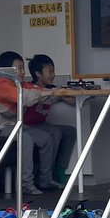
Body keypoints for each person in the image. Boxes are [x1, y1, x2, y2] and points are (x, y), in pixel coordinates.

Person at [0, 51, 56, 195]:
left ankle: (46, 180)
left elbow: (38, 91)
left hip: (15, 126)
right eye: (19, 68)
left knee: (46, 138)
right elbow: (26, 98)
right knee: (26, 139)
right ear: (6, 70)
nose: (23, 72)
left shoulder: (20, 84)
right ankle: (25, 184)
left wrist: (56, 91)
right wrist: (50, 92)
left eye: (23, 68)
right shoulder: (2, 84)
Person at [26, 54, 77, 187]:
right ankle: (46, 177)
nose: (53, 75)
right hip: (27, 125)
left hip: (40, 124)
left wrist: (62, 93)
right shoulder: (29, 89)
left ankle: (60, 169)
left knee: (70, 131)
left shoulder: (51, 89)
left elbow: (73, 101)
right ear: (38, 74)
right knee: (54, 132)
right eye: (49, 71)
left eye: (53, 71)